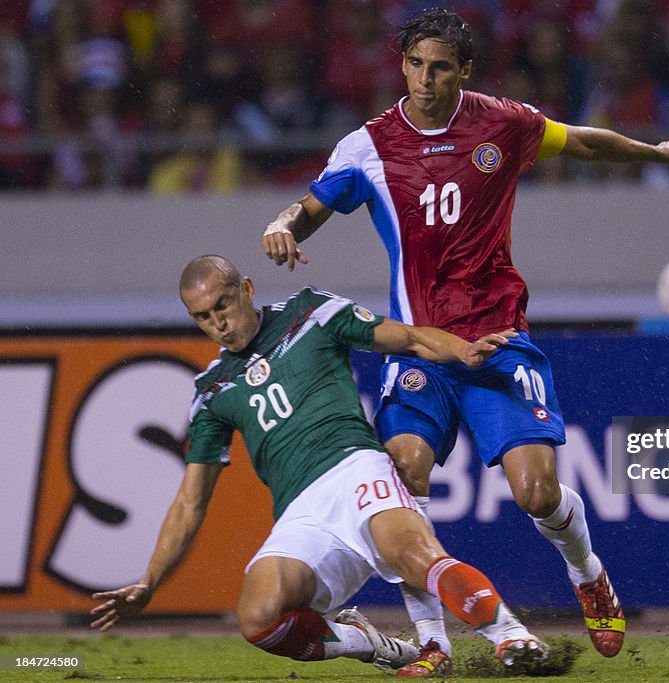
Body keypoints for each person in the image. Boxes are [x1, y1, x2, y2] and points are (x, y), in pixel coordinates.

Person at [260, 8, 669, 673]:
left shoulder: (503, 122)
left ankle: (588, 572)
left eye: (441, 67)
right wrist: (286, 220)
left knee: (536, 492)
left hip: (497, 339)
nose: (426, 79)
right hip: (418, 347)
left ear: (464, 70)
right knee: (403, 475)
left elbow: (582, 142)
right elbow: (315, 204)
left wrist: (656, 152)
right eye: (416, 65)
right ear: (402, 65)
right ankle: (434, 641)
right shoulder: (369, 146)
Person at [89, 255, 550, 676]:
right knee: (258, 616)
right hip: (302, 514)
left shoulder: (310, 313)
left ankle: (512, 636)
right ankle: (369, 644)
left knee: (414, 555)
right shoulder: (211, 391)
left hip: (357, 470)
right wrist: (150, 582)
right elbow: (191, 503)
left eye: (222, 306)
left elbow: (407, 337)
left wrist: (462, 350)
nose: (219, 325)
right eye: (203, 318)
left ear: (246, 288)